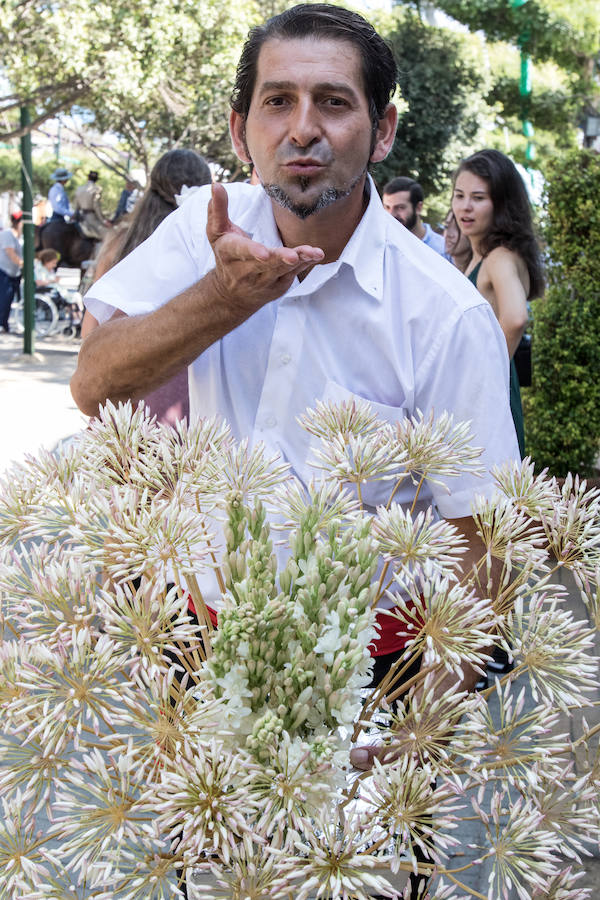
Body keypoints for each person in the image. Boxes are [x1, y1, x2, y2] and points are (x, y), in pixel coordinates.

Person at [82, 148, 212, 424]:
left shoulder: (120, 243)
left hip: (128, 392)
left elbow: (90, 332)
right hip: (197, 399)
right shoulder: (215, 245)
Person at [451, 148, 545, 458]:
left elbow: (516, 318)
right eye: (459, 195)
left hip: (489, 390)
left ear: (501, 203)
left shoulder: (499, 257)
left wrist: (486, 375)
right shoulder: (481, 253)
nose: (465, 207)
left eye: (478, 198)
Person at [382, 175, 446, 255]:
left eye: (400, 207)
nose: (391, 215)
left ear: (418, 208)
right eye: (387, 207)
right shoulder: (381, 247)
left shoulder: (443, 250)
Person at [0, 211, 23, 333]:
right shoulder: (7, 234)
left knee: (9, 300)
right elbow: (11, 253)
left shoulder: (20, 236)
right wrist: (24, 264)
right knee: (4, 298)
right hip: (4, 271)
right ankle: (1, 323)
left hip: (15, 273)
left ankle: (4, 324)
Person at [73, 171, 111, 241]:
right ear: (96, 180)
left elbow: (76, 207)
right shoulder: (97, 189)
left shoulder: (79, 189)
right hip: (91, 218)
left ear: (88, 178)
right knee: (109, 234)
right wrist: (104, 221)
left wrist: (74, 216)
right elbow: (96, 207)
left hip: (80, 218)